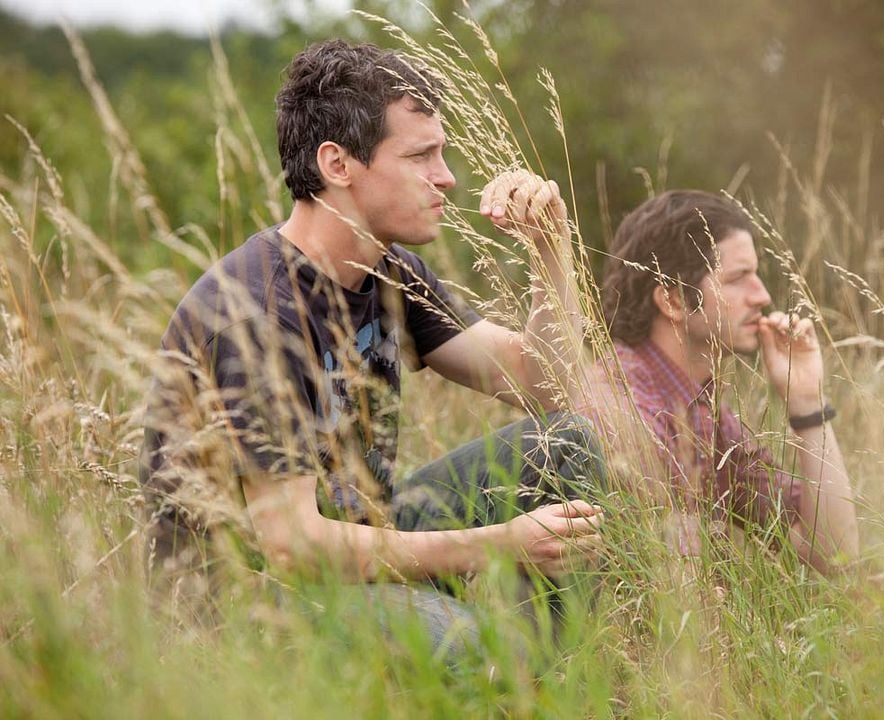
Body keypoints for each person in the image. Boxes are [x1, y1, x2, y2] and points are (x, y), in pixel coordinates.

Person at [139, 40, 605, 655]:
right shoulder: (254, 312)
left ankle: (549, 681)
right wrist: (495, 543)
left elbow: (540, 383)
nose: (447, 177)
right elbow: (290, 545)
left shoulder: (390, 271)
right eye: (421, 156)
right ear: (338, 164)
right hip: (248, 597)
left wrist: (551, 251)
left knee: (565, 442)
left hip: (361, 539)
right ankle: (502, 667)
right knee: (475, 647)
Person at [586, 190, 858, 571]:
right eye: (738, 278)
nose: (762, 295)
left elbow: (833, 555)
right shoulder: (622, 405)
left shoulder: (706, 415)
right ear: (674, 301)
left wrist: (807, 402)